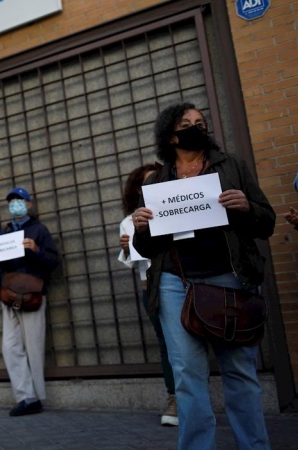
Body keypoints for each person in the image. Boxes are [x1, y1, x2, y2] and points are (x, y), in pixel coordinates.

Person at [133, 102, 274, 449]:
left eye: (201, 122)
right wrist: (141, 227)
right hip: (174, 285)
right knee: (187, 377)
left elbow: (266, 222)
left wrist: (246, 207)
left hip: (230, 280)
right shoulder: (157, 180)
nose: (197, 126)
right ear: (170, 135)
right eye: (187, 123)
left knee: (240, 373)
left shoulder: (232, 166)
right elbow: (148, 248)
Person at [119, 164, 178, 427]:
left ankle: (194, 398)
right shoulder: (130, 221)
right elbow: (138, 260)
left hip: (186, 280)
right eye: (144, 183)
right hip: (152, 285)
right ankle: (175, 398)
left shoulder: (178, 205)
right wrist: (128, 247)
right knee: (167, 344)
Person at [0, 187, 59, 417]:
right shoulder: (5, 232)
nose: (15, 204)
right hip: (10, 294)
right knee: (10, 347)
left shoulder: (39, 230)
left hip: (32, 294)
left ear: (29, 204)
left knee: (33, 345)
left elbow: (53, 262)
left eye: (19, 200)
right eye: (11, 200)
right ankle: (25, 396)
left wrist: (36, 250)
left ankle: (34, 397)